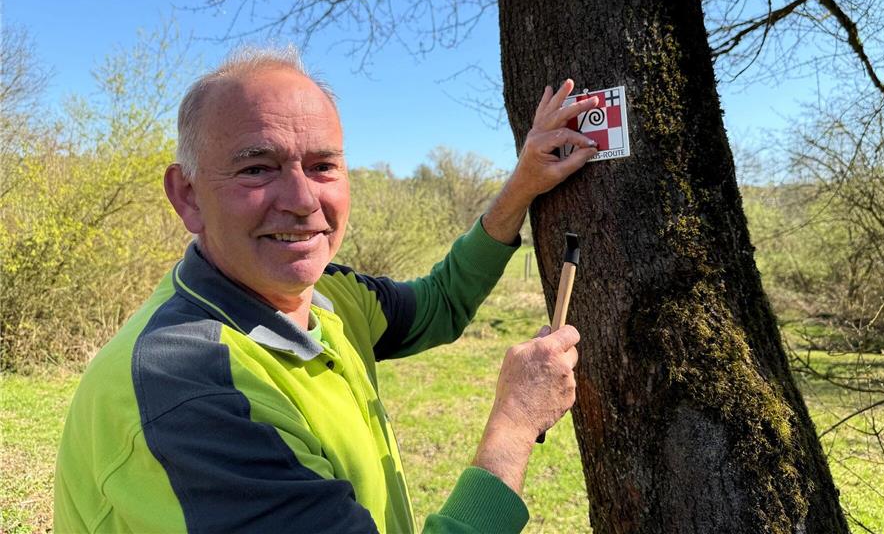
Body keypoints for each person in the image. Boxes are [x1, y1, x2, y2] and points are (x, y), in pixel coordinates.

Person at [53, 47, 601, 533]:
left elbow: (438, 304)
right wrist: (514, 424)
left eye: (322, 166)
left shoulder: (329, 296)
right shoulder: (189, 389)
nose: (301, 200)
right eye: (257, 168)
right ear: (188, 195)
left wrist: (523, 184)